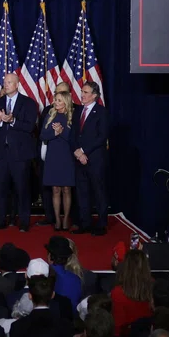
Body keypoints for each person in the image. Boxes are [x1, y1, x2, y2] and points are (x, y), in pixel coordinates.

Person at [0, 73, 38, 232]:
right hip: (0, 154)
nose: (6, 84)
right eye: (4, 82)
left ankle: (23, 222)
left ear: (17, 84)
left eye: (9, 82)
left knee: (22, 189)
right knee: (0, 189)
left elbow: (30, 127)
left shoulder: (29, 103)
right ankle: (0, 220)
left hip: (20, 154)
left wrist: (12, 120)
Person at [70, 82, 108, 236]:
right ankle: (84, 223)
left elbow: (102, 136)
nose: (82, 95)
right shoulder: (77, 111)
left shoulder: (101, 112)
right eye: (82, 91)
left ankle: (101, 224)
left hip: (95, 159)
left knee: (98, 192)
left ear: (94, 95)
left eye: (86, 92)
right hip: (79, 159)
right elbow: (72, 134)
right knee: (82, 192)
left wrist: (84, 151)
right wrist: (77, 152)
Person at [40, 91, 76, 232]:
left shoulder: (72, 115)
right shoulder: (50, 114)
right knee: (55, 189)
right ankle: (57, 219)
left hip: (67, 155)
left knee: (66, 189)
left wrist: (63, 131)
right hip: (53, 155)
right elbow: (42, 135)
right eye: (55, 100)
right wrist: (54, 133)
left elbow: (73, 138)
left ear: (65, 102)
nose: (55, 102)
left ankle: (66, 218)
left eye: (59, 100)